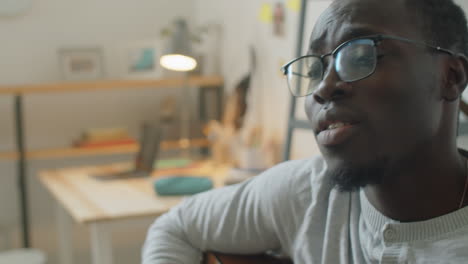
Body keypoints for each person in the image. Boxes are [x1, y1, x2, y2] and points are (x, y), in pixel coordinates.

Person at [142, 0, 468, 263]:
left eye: (360, 55)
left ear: (450, 76)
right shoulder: (309, 195)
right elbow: (176, 227)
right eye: (315, 67)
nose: (323, 89)